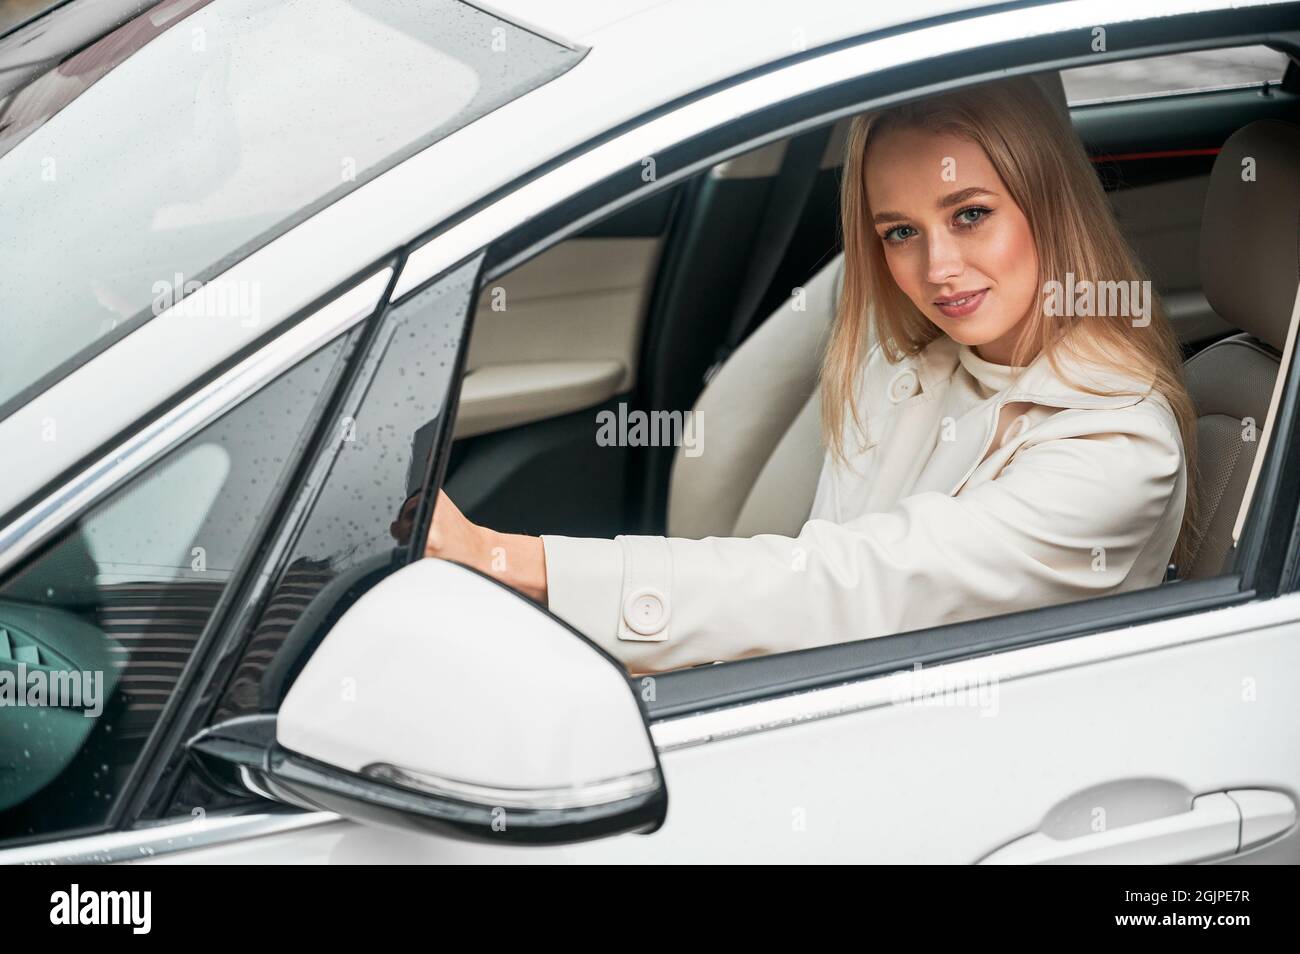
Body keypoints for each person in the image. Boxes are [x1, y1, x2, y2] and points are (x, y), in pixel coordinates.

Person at [424, 76, 1196, 674]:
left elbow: (847, 583)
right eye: (901, 232)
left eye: (969, 214)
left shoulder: (1118, 449)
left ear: (1050, 204)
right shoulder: (911, 350)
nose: (938, 268)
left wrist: (508, 560)